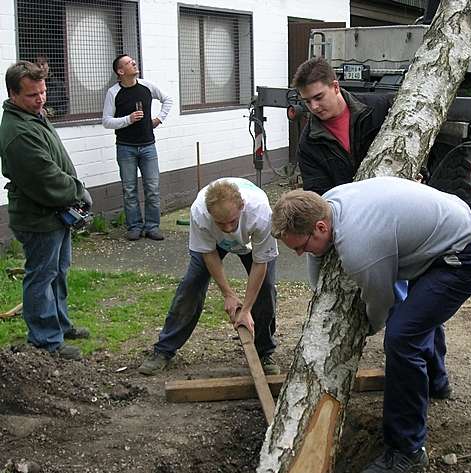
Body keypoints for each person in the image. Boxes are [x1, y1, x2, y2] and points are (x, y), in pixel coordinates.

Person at [271, 177, 471, 473]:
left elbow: (380, 305)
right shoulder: (328, 203)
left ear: (321, 228)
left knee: (401, 338)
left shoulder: (360, 246)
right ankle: (435, 383)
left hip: (463, 256)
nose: (300, 253)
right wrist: (318, 291)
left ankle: (407, 450)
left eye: (301, 246)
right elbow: (318, 254)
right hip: (443, 236)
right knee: (417, 317)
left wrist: (367, 329)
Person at [292, 56, 451, 399]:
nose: (314, 107)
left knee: (420, 304)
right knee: (392, 302)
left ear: (336, 86)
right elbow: (319, 195)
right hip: (358, 230)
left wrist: (419, 171)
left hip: (400, 223)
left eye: (319, 97)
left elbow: (419, 139)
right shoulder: (310, 141)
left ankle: (436, 376)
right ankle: (417, 370)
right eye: (307, 102)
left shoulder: (378, 108)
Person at [139, 178, 279, 376]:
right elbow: (208, 254)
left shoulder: (261, 212)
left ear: (242, 207)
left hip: (251, 238)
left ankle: (264, 352)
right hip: (215, 243)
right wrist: (228, 294)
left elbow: (260, 262)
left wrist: (246, 309)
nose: (229, 229)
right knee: (191, 286)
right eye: (222, 223)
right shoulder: (200, 213)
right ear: (210, 214)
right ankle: (164, 350)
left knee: (265, 288)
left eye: (232, 222)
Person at [0, 61, 92, 360]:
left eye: (43, 91)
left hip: (54, 213)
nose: (40, 99)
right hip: (37, 218)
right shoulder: (18, 132)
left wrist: (74, 194)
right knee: (41, 276)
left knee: (58, 272)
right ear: (13, 94)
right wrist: (79, 191)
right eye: (31, 95)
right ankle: (45, 340)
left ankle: (60, 325)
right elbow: (46, 177)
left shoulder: (33, 116)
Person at [102, 54, 173, 241]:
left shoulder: (147, 86)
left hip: (148, 145)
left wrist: (159, 119)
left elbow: (168, 100)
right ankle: (134, 226)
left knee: (152, 187)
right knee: (129, 189)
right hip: (125, 147)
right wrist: (128, 119)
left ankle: (152, 227)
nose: (133, 63)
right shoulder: (113, 92)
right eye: (128, 62)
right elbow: (106, 121)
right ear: (120, 71)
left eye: (133, 61)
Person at [34, 53, 68, 118]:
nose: (41, 67)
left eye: (43, 64)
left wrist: (48, 111)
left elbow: (64, 106)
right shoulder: (31, 84)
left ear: (48, 65)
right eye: (38, 65)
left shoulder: (59, 84)